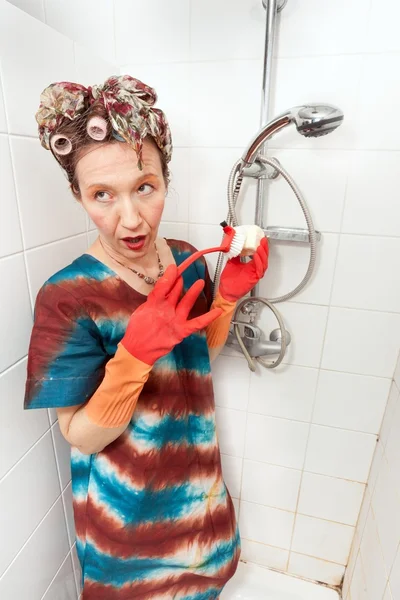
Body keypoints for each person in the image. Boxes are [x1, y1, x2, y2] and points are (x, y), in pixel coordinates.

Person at [24, 75, 269, 600]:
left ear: (165, 179)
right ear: (77, 194)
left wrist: (225, 297)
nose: (129, 219)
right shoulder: (67, 297)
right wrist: (133, 355)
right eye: (101, 195)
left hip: (197, 489)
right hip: (129, 517)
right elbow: (82, 435)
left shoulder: (183, 258)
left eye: (144, 187)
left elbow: (198, 358)